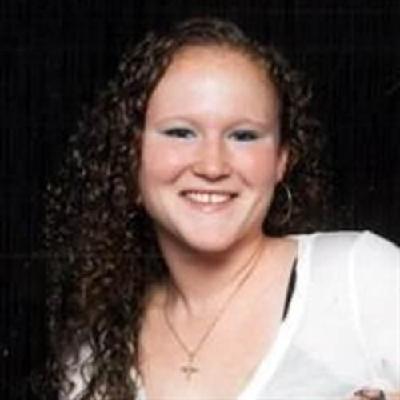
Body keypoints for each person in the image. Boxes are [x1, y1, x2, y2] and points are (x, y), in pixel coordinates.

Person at [41, 18, 399, 400]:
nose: (212, 166)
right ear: (130, 157)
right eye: (180, 132)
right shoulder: (94, 352)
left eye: (243, 136)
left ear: (281, 160)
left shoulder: (359, 278)